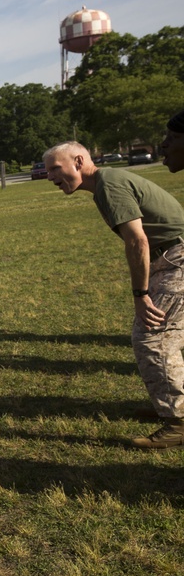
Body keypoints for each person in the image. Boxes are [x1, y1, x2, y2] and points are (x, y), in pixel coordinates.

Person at [44, 141, 184, 449]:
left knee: (153, 337)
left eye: (56, 168)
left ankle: (177, 422)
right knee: (162, 337)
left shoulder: (109, 185)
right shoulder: (106, 183)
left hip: (177, 258)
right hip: (171, 257)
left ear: (79, 161)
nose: (50, 176)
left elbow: (138, 241)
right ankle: (171, 406)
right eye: (47, 169)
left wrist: (140, 294)